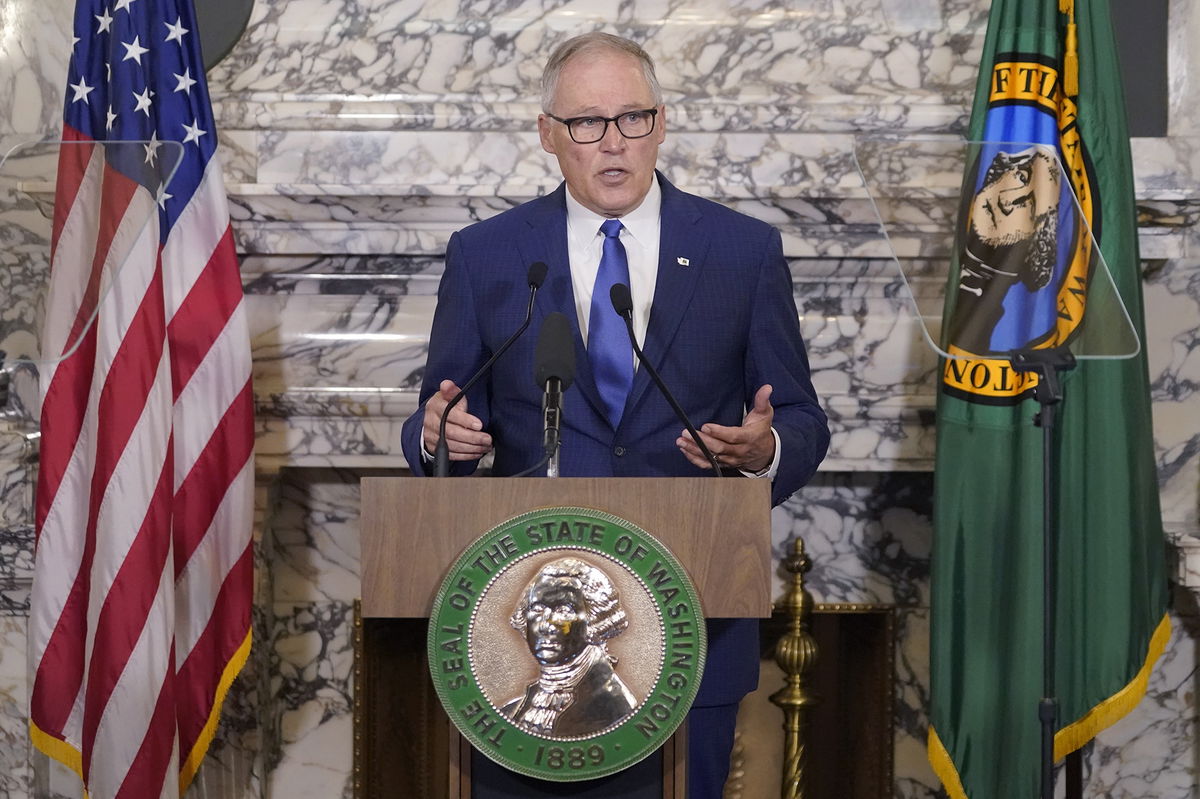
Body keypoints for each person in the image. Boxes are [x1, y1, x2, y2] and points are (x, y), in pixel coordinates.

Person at [401, 32, 830, 798]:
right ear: (547, 135)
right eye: (586, 124)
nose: (613, 143)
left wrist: (762, 450)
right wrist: (441, 438)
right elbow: (437, 420)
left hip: (691, 621)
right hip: (521, 635)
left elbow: (799, 417)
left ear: (661, 124)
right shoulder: (490, 255)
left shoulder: (742, 251)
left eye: (632, 119)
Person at [501, 558, 639, 737]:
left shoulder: (617, 710)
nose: (546, 625)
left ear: (595, 620)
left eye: (563, 611)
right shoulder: (510, 712)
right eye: (538, 609)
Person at [948, 146, 1062, 354]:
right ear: (997, 174)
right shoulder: (950, 254)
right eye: (1020, 176)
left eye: (1031, 202)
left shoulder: (991, 320)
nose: (1008, 201)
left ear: (1035, 235)